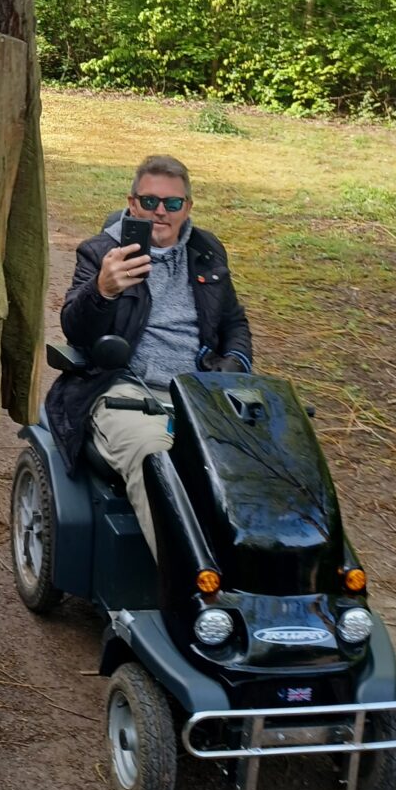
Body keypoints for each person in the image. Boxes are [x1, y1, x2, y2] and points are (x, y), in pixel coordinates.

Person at [46, 153, 253, 557]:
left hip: (202, 394)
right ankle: (193, 592)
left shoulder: (207, 250)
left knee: (263, 459)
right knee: (158, 461)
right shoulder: (100, 252)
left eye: (172, 203)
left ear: (187, 208)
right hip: (125, 392)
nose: (160, 212)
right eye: (149, 202)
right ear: (132, 203)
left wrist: (236, 363)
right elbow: (76, 328)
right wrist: (102, 291)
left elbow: (235, 321)